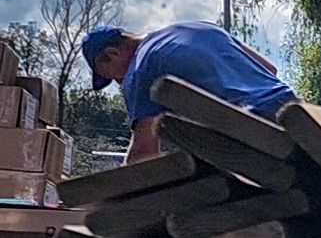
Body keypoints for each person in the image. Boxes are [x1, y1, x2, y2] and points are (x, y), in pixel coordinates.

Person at [82, 22, 298, 165]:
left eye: (115, 78)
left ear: (112, 54)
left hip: (248, 128)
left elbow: (143, 151)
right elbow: (269, 69)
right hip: (294, 112)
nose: (120, 84)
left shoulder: (139, 68)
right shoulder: (202, 28)